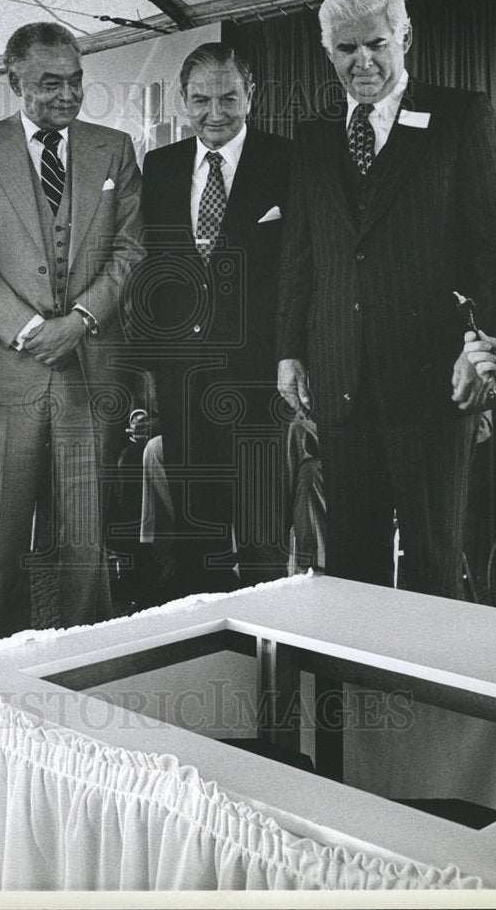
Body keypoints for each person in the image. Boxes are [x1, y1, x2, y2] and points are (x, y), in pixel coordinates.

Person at [277, 0, 496, 598]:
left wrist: (482, 354)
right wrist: (289, 351)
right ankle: (358, 668)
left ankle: (429, 668)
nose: (362, 61)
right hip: (340, 384)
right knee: (350, 572)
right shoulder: (313, 134)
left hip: (434, 388)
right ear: (328, 50)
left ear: (404, 38)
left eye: (377, 44)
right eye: (346, 48)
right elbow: (300, 259)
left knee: (433, 567)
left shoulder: (461, 116)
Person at [0, 22, 144, 643]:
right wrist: (30, 329)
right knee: (2, 535)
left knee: (86, 536)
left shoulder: (115, 149)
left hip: (92, 366)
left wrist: (80, 321)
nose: (67, 94)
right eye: (50, 82)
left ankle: (86, 662)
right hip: (9, 368)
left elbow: (130, 250)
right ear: (15, 81)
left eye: (76, 80)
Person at [129, 43, 293, 597]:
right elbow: (150, 272)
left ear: (252, 95)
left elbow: (305, 271)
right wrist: (151, 374)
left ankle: (268, 645)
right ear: (184, 99)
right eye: (201, 99)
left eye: (229, 97)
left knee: (262, 533)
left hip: (259, 378)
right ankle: (206, 638)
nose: (215, 112)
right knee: (194, 532)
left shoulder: (288, 161)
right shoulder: (160, 167)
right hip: (181, 382)